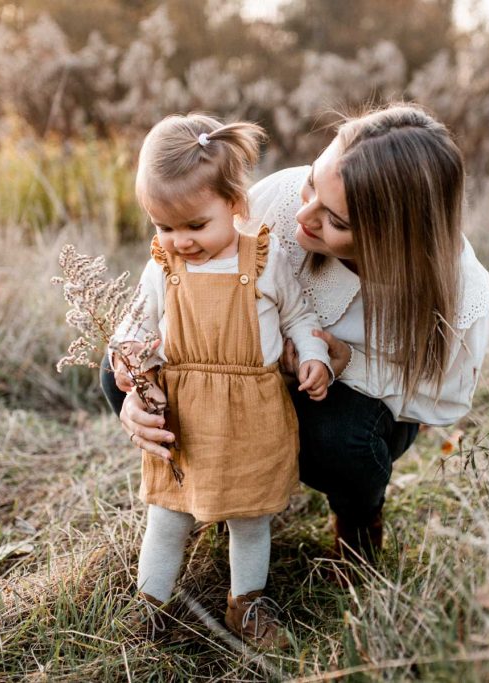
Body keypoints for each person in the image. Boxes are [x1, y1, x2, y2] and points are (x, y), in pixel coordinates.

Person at [107, 102, 489, 568]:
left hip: (352, 406)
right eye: (313, 181)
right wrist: (136, 383)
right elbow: (174, 269)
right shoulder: (281, 199)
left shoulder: (453, 286)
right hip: (246, 379)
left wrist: (344, 361)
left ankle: (358, 518)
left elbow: (447, 398)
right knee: (123, 373)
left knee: (336, 434)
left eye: (335, 220)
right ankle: (212, 492)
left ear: (390, 238)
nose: (303, 215)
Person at [108, 113, 332, 648]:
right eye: (164, 227)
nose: (179, 241)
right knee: (168, 514)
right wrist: (126, 357)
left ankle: (245, 605)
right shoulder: (162, 266)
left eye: (195, 225)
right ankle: (152, 603)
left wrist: (314, 355)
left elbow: (299, 316)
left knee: (250, 516)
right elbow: (133, 324)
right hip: (184, 409)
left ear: (235, 204)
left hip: (251, 410)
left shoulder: (264, 256)